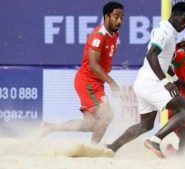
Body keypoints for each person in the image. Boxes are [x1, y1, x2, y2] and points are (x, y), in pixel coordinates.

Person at [106, 2, 185, 158]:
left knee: (145, 124)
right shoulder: (164, 31)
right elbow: (151, 55)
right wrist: (166, 82)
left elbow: (163, 59)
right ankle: (155, 141)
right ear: (174, 15)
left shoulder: (170, 33)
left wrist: (174, 77)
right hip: (151, 83)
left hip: (144, 82)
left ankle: (112, 147)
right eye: (184, 19)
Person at [39, 1, 124, 145]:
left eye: (122, 17)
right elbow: (93, 64)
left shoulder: (114, 35)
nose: (119, 21)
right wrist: (111, 82)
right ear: (106, 16)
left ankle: (50, 127)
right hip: (88, 82)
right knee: (107, 116)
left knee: (91, 124)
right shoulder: (98, 35)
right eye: (116, 16)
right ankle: (93, 148)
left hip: (95, 82)